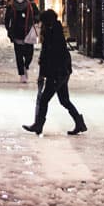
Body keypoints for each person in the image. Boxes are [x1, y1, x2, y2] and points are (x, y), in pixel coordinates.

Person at [23, 8, 87, 136]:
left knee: (44, 99)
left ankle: (38, 125)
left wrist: (44, 74)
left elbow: (48, 56)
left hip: (57, 73)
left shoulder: (52, 34)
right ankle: (79, 122)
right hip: (62, 72)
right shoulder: (55, 31)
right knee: (64, 100)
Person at [3, 0, 40, 84]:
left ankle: (25, 66)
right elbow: (7, 19)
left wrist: (34, 20)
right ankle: (22, 74)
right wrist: (9, 29)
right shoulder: (11, 6)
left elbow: (37, 15)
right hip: (16, 33)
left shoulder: (30, 5)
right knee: (19, 55)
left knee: (29, 54)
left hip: (28, 33)